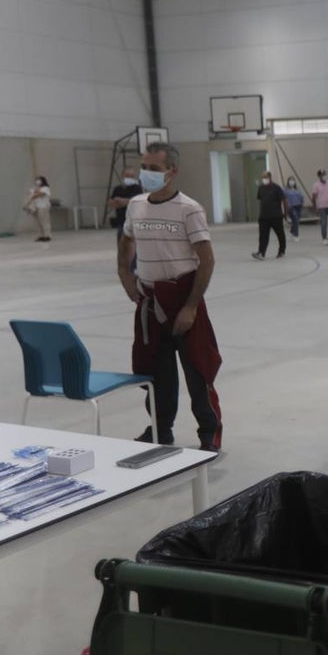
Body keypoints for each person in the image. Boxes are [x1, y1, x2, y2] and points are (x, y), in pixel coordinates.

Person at [118, 142, 222, 452]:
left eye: (154, 168)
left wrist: (190, 306)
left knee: (197, 370)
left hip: (183, 297)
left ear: (171, 172)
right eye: (144, 166)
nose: (146, 173)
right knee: (156, 371)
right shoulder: (136, 206)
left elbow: (207, 259)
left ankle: (209, 432)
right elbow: (126, 242)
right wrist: (125, 274)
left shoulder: (189, 209)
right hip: (150, 302)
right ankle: (161, 430)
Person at [252, 171, 287, 260]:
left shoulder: (277, 188)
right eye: (263, 177)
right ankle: (261, 252)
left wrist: (286, 213)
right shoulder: (261, 188)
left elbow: (284, 200)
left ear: (270, 177)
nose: (264, 179)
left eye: (266, 177)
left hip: (276, 216)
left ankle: (281, 251)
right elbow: (260, 199)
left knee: (280, 234)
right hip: (264, 216)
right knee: (263, 235)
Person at [107, 168, 143, 239]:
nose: (129, 178)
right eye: (127, 176)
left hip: (134, 222)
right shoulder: (117, 189)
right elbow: (111, 203)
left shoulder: (137, 188)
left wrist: (119, 200)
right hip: (121, 222)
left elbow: (136, 202)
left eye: (132, 176)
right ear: (122, 176)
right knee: (121, 241)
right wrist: (126, 201)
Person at [310, 169, 328, 245]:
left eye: (325, 174)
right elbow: (313, 197)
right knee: (323, 224)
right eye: (322, 174)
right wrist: (314, 207)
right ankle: (324, 238)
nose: (324, 176)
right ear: (319, 176)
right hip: (322, 207)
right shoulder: (316, 185)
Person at [22, 176, 52, 242]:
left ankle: (47, 236)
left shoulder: (45, 188)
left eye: (39, 180)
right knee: (38, 222)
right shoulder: (35, 188)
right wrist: (33, 192)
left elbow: (40, 194)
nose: (37, 181)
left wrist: (34, 193)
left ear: (42, 181)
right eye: (36, 180)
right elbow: (30, 195)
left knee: (44, 222)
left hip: (43, 207)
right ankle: (41, 236)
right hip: (35, 207)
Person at [282, 176, 304, 242]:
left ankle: (292, 230)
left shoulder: (297, 189)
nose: (292, 182)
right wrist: (286, 209)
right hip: (291, 207)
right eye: (290, 180)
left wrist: (302, 203)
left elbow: (301, 197)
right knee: (295, 219)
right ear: (288, 182)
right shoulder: (285, 190)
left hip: (298, 206)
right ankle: (296, 235)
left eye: (293, 180)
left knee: (296, 221)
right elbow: (283, 199)